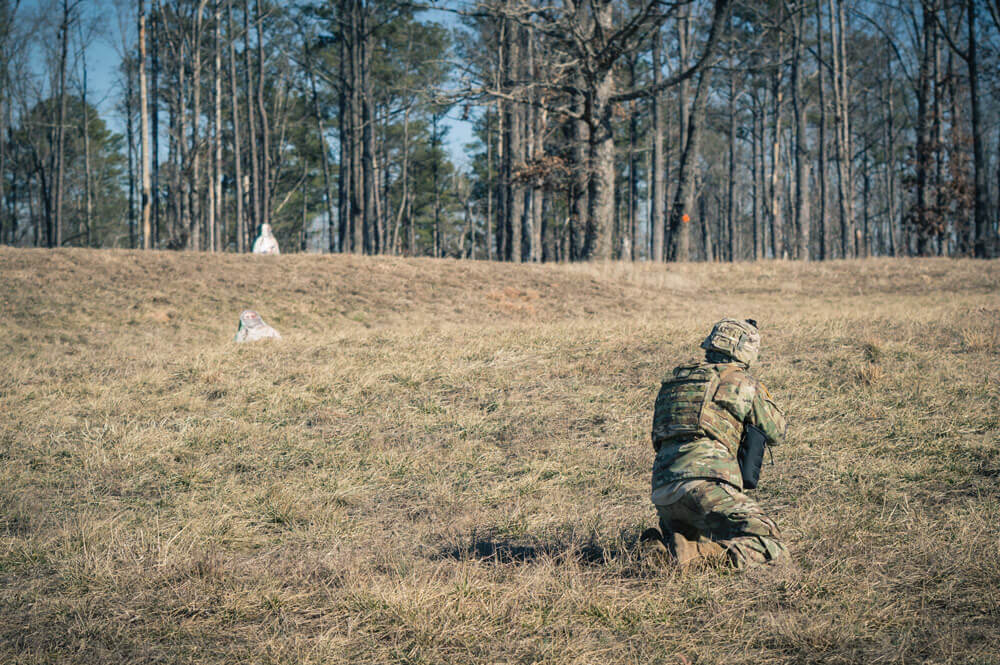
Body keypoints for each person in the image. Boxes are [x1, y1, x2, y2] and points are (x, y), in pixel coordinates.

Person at [641, 318, 787, 569]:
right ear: (746, 350)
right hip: (707, 488)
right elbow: (776, 431)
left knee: (706, 536)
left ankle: (661, 545)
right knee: (771, 545)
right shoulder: (741, 382)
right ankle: (692, 556)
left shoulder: (676, 381)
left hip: (663, 492)